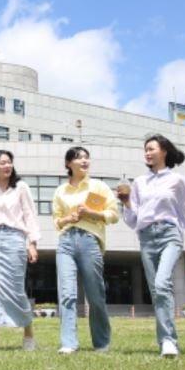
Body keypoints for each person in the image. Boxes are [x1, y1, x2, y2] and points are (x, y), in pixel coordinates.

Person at [119, 134, 185, 358]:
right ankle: (166, 340)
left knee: (162, 283)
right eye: (145, 149)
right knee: (157, 292)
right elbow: (133, 221)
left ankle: (168, 341)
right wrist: (126, 204)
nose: (147, 153)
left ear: (164, 151)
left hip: (169, 235)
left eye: (151, 148)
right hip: (146, 238)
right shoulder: (139, 182)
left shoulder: (177, 180)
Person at [52, 146, 119, 355]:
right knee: (67, 294)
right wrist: (67, 218)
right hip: (66, 242)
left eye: (86, 158)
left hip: (90, 241)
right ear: (68, 164)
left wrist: (91, 212)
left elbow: (113, 214)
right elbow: (57, 221)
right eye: (79, 158)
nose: (84, 161)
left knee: (95, 294)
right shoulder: (61, 191)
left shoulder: (98, 186)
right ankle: (69, 343)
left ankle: (101, 343)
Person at [0, 150, 40, 352]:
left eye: (9, 162)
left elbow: (30, 215)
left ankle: (28, 335)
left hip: (15, 239)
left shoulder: (21, 187)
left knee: (16, 289)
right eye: (3, 163)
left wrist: (32, 243)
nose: (7, 166)